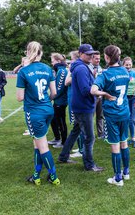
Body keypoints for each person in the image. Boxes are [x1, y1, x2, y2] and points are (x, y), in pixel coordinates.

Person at [16, 41, 60, 186]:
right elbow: (54, 93)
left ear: (28, 52)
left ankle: (53, 176)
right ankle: (36, 175)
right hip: (48, 110)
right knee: (37, 143)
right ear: (41, 52)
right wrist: (45, 100)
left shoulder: (23, 71)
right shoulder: (48, 69)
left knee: (42, 146)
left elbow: (20, 97)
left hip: (34, 112)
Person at [58, 44, 104, 172]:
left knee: (75, 132)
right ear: (80, 53)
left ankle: (63, 156)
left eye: (92, 54)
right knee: (89, 137)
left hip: (80, 106)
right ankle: (89, 165)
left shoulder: (80, 66)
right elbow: (85, 90)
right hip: (84, 107)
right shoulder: (82, 68)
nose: (91, 56)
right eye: (88, 54)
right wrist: (99, 92)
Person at [91, 45, 130, 186]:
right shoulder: (126, 71)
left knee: (115, 146)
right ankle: (126, 172)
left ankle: (117, 178)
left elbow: (93, 90)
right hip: (125, 111)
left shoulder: (105, 74)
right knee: (124, 143)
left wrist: (105, 94)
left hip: (112, 114)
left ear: (107, 57)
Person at [64, 51, 84, 158]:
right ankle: (81, 147)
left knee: (78, 126)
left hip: (74, 100)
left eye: (71, 58)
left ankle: (81, 150)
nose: (70, 61)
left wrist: (69, 70)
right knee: (78, 126)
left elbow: (66, 82)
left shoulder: (76, 69)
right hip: (73, 98)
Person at [48, 53, 68, 148]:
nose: (52, 63)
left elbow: (58, 89)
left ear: (59, 61)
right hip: (57, 101)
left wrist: (50, 98)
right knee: (53, 119)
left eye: (53, 61)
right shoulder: (59, 70)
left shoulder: (62, 71)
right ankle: (57, 138)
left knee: (61, 121)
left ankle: (64, 142)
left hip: (61, 101)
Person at [122, 57, 135, 148]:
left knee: (134, 119)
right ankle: (132, 138)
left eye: (130, 64)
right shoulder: (122, 74)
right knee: (129, 119)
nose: (128, 66)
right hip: (126, 99)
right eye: (126, 65)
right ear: (123, 65)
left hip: (134, 98)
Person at [88, 52, 104, 139]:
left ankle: (100, 134)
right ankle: (90, 134)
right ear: (92, 59)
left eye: (99, 58)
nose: (98, 60)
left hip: (100, 96)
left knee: (100, 116)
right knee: (90, 116)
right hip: (92, 96)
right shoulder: (88, 68)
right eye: (96, 58)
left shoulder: (100, 68)